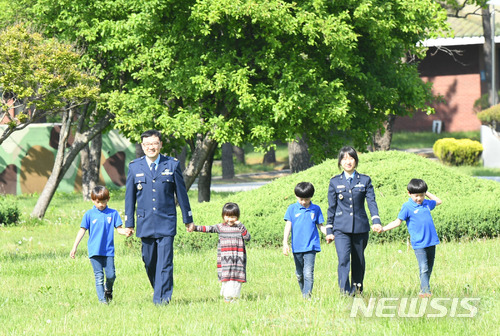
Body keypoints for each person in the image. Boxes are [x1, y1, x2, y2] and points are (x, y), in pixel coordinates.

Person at [124, 129, 194, 305]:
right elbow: (129, 198)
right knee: (149, 261)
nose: (151, 147)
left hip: (166, 221)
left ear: (161, 144)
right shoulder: (134, 167)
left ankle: (161, 300)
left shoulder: (172, 165)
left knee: (165, 263)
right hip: (145, 222)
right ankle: (160, 290)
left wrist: (188, 219)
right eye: (147, 144)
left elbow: (182, 195)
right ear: (142, 146)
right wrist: (129, 223)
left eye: (154, 144)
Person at [325, 146, 382, 295]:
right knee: (343, 259)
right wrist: (329, 230)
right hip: (341, 228)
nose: (348, 161)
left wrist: (376, 220)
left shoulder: (365, 180)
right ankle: (344, 291)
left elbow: (371, 202)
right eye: (344, 159)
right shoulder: (335, 182)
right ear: (340, 162)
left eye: (351, 158)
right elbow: (332, 207)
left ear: (356, 161)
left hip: (360, 228)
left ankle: (357, 290)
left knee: (358, 260)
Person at [373, 178, 442, 298]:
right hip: (419, 243)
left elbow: (438, 201)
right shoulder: (407, 207)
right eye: (416, 196)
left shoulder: (426, 204)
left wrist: (426, 192)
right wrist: (383, 228)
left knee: (429, 268)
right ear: (409, 193)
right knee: (424, 267)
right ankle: (425, 292)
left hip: (431, 241)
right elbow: (397, 222)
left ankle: (424, 288)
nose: (419, 199)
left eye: (421, 195)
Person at [70, 185, 127, 304]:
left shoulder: (113, 213)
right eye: (98, 202)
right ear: (92, 200)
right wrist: (74, 247)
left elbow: (119, 229)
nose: (101, 204)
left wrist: (126, 232)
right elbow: (82, 230)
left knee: (111, 276)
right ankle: (103, 302)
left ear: (108, 199)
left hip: (108, 251)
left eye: (103, 201)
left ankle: (108, 289)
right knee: (99, 277)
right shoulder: (89, 214)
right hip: (94, 251)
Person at [192, 202, 250, 303]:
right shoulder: (221, 227)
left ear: (237, 217)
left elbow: (247, 237)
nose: (230, 219)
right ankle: (227, 298)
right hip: (225, 260)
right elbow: (208, 228)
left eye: (233, 216)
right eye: (227, 216)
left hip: (238, 260)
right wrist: (195, 227)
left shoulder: (239, 228)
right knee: (227, 279)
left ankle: (235, 298)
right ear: (223, 216)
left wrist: (241, 225)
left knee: (236, 279)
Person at [283, 182, 326, 299]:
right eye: (301, 199)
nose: (303, 202)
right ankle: (304, 293)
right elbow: (288, 226)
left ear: (311, 197)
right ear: (296, 196)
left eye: (306, 199)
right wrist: (285, 243)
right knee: (299, 274)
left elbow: (321, 226)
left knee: (308, 273)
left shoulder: (316, 209)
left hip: (311, 246)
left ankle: (307, 297)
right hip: (297, 247)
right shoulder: (292, 209)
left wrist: (329, 233)